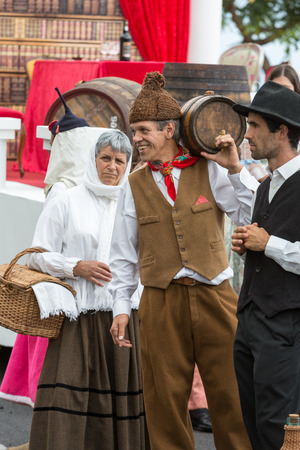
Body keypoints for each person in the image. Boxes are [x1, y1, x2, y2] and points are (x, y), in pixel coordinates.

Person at [109, 71, 258, 450]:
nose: (137, 138)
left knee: (231, 395)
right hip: (160, 301)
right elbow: (123, 253)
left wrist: (235, 168)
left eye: (144, 130)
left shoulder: (210, 168)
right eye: (135, 130)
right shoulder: (134, 184)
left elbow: (250, 215)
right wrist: (121, 308)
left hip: (215, 295)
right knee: (164, 404)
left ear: (169, 129)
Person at [24, 130, 148, 450]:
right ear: (92, 160)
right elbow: (36, 254)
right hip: (79, 317)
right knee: (72, 392)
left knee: (120, 399)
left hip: (122, 317)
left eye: (120, 161)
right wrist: (76, 266)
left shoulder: (134, 203)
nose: (112, 167)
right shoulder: (66, 198)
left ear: (128, 164)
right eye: (105, 158)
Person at [231, 80, 300, 449]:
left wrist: (268, 243)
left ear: (282, 131)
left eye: (255, 125)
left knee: (278, 428)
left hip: (285, 324)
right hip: (250, 319)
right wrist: (248, 245)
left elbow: (278, 245)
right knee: (254, 422)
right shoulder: (263, 186)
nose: (248, 134)